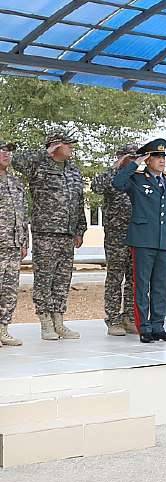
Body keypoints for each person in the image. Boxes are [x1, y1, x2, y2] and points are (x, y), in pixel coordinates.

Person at [12, 133, 86, 341]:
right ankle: (45, 322)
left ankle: (59, 321)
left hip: (67, 234)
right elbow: (17, 161)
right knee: (45, 278)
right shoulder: (38, 166)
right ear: (55, 146)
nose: (71, 148)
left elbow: (78, 201)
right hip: (46, 233)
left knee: (63, 280)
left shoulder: (73, 170)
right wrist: (46, 153)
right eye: (67, 145)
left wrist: (80, 229)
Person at [111, 138, 166, 343]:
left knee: (160, 285)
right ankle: (144, 327)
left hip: (164, 240)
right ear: (147, 159)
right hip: (143, 239)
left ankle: (158, 326)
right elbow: (117, 183)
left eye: (163, 157)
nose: (161, 160)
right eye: (156, 156)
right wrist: (135, 163)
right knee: (142, 285)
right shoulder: (137, 179)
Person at [90, 144, 139, 337]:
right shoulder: (111, 177)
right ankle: (113, 319)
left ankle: (129, 317)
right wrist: (116, 166)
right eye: (130, 157)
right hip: (115, 237)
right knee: (115, 278)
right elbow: (96, 186)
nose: (134, 161)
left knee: (133, 279)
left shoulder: (136, 179)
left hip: (135, 235)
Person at [0, 142, 29, 347]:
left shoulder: (15, 181)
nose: (6, 154)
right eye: (1, 150)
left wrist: (24, 241)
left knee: (9, 289)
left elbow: (23, 213)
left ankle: (3, 329)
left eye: (8, 150)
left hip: (13, 244)